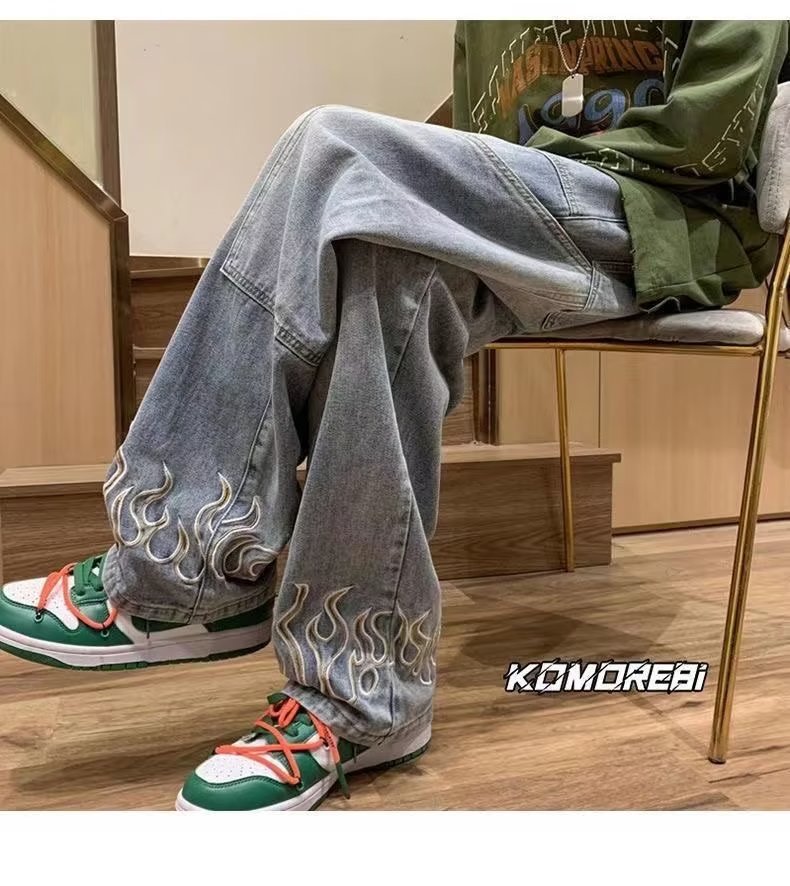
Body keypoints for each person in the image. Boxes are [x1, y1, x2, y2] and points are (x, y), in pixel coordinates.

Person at [0, 20, 786, 812]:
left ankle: (183, 568)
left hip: (662, 226)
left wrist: (507, 174)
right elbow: (483, 140)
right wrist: (484, 182)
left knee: (331, 143)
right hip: (530, 229)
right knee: (389, 266)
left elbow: (708, 139)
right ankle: (365, 693)